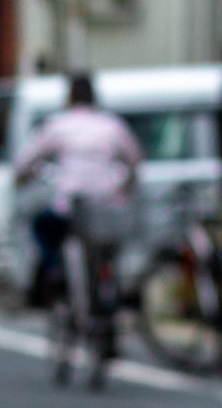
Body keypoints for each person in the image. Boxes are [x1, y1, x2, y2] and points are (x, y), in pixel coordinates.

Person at [16, 72, 144, 381]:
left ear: (70, 98)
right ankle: (109, 301)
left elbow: (25, 163)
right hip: (107, 209)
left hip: (71, 209)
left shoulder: (58, 125)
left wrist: (24, 180)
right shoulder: (112, 126)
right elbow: (135, 162)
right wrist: (123, 189)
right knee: (106, 253)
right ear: (95, 98)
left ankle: (56, 270)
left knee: (40, 226)